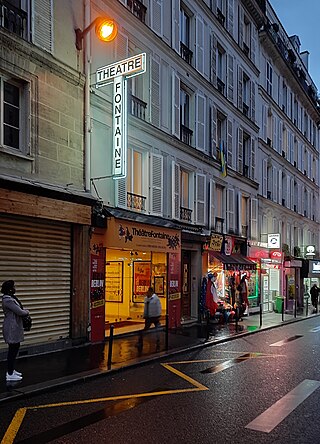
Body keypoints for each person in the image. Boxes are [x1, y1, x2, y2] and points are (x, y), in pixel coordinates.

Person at [1, 280, 29, 382]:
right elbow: (20, 312)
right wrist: (27, 311)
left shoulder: (10, 298)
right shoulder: (7, 300)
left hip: (14, 326)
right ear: (9, 289)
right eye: (13, 286)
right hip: (11, 328)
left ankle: (12, 370)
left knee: (15, 348)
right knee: (12, 351)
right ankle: (9, 374)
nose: (15, 288)